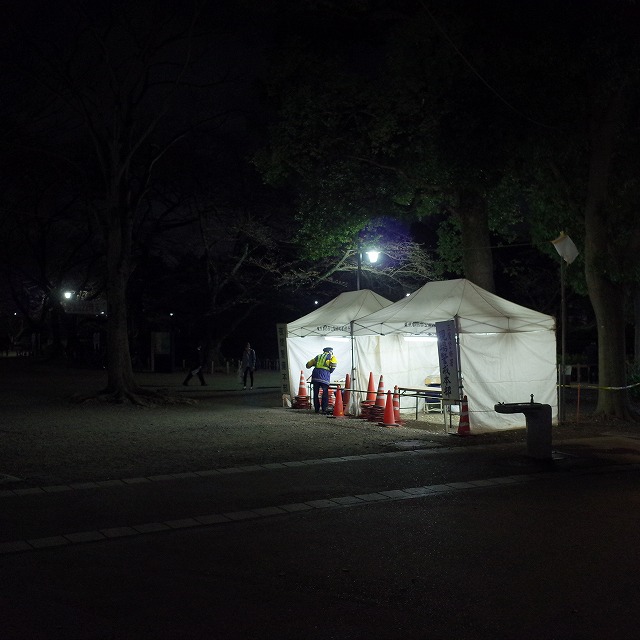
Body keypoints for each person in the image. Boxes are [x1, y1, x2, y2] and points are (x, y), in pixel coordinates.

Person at [306, 346, 337, 414]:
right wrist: (329, 371)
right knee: (325, 392)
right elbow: (334, 365)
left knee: (315, 393)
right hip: (324, 376)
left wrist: (316, 365)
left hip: (315, 375)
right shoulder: (331, 356)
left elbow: (308, 365)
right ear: (330, 351)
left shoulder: (318, 356)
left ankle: (316, 409)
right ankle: (324, 409)